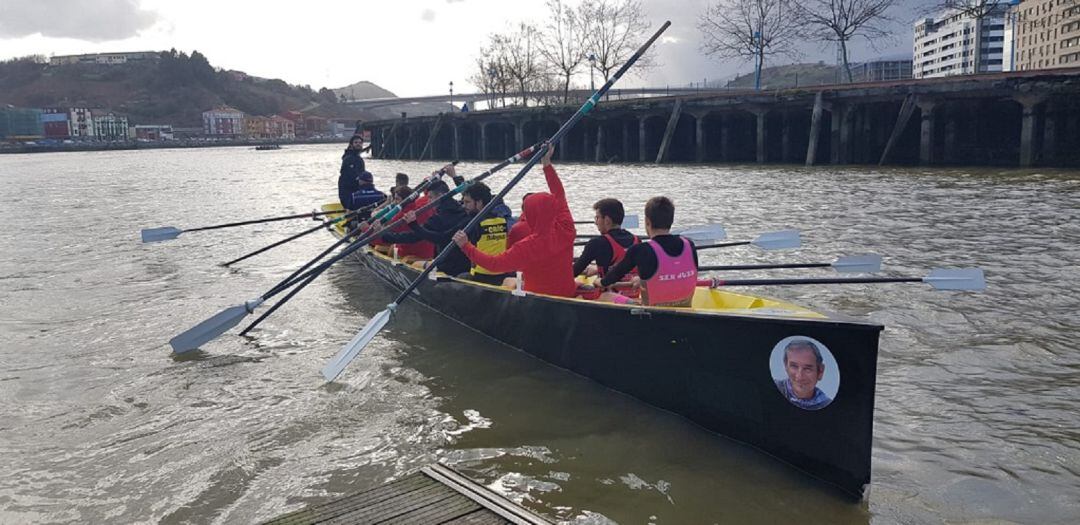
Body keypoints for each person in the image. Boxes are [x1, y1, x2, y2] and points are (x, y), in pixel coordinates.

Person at [451, 143, 577, 297]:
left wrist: (466, 246)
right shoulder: (567, 229)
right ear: (553, 209)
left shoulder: (527, 246)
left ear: (528, 215)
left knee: (510, 281)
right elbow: (559, 194)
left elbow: (494, 264)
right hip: (568, 293)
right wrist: (546, 163)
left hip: (536, 299)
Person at [598, 196, 699, 307]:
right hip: (684, 309)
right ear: (671, 220)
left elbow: (614, 275)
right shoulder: (689, 244)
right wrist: (641, 280)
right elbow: (669, 272)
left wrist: (601, 282)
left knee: (605, 296)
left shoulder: (640, 250)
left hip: (652, 315)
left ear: (647, 222)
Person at [377, 180, 470, 276]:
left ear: (440, 196)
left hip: (446, 267)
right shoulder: (464, 210)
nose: (428, 202)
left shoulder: (439, 218)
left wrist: (382, 236)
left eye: (430, 197)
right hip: (466, 265)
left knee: (414, 263)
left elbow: (415, 237)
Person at [458, 182, 514, 285]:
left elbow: (471, 254)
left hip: (480, 275)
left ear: (479, 203)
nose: (463, 206)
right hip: (501, 274)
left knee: (460, 275)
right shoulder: (502, 220)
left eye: (467, 202)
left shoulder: (473, 223)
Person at [573, 198, 639, 278]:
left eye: (597, 218)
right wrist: (598, 269)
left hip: (610, 289)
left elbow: (574, 272)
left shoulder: (597, 243)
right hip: (635, 289)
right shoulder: (637, 240)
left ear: (607, 220)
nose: (596, 222)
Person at [774, 339, 832, 410]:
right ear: (786, 366)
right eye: (794, 366)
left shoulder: (829, 405)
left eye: (807, 369)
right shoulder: (771, 387)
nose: (799, 376)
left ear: (820, 371)